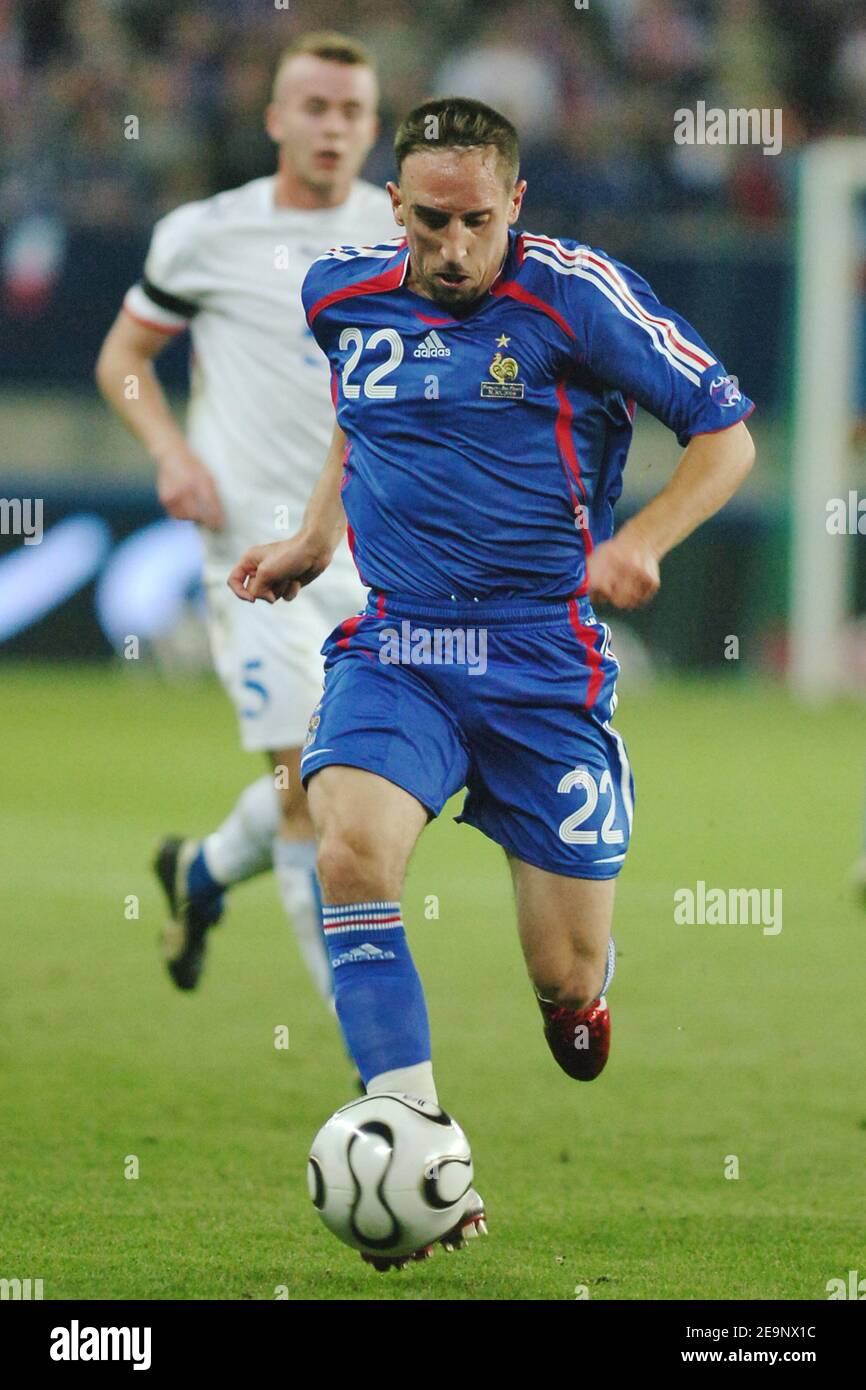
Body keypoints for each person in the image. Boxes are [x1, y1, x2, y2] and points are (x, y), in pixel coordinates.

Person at [228, 96, 756, 1266]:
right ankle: (412, 1127)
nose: (450, 248)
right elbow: (355, 413)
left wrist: (644, 542)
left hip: (539, 660)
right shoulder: (340, 295)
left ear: (512, 203)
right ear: (394, 207)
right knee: (347, 843)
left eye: (473, 221)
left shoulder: (577, 297)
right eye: (427, 222)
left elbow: (724, 435)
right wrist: (316, 538)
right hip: (400, 644)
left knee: (560, 975)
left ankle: (578, 995)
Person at [95, 33, 395, 1010]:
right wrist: (170, 451)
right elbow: (124, 359)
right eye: (313, 107)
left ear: (372, 126)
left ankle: (204, 869)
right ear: (274, 119)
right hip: (255, 559)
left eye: (351, 111)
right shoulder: (205, 233)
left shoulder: (401, 236)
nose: (332, 127)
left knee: (355, 787)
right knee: (317, 791)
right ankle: (377, 1079)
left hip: (378, 549)